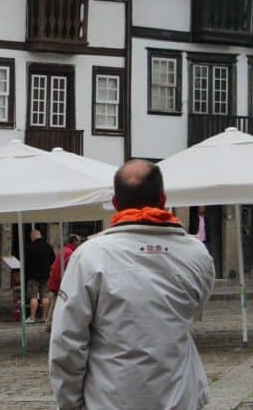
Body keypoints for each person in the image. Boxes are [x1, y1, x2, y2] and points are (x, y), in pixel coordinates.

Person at [49, 160, 215, 410]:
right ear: (163, 199)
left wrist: (70, 403)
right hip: (180, 396)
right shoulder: (197, 254)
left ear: (115, 203)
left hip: (111, 399)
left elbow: (67, 340)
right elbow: (196, 306)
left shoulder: (90, 256)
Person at [44, 234, 81, 329]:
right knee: (57, 305)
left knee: (54, 304)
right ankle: (51, 325)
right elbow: (69, 269)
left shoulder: (64, 250)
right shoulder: (70, 253)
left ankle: (49, 324)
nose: (80, 243)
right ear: (74, 241)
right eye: (78, 241)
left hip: (56, 282)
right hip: (61, 283)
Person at [25, 229, 55, 324]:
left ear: (33, 236)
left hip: (33, 275)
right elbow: (53, 260)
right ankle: (44, 317)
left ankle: (32, 317)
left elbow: (26, 262)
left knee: (33, 297)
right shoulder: (48, 246)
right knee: (45, 296)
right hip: (45, 274)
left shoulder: (30, 247)